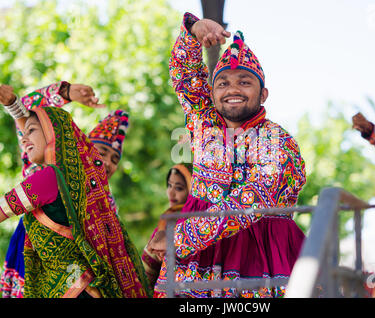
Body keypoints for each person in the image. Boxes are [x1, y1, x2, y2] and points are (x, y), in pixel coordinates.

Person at [153, 13, 307, 298]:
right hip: (197, 262)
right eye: (222, 83)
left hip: (260, 257)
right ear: (211, 93)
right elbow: (184, 76)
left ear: (264, 94)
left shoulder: (278, 140)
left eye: (245, 82)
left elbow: (253, 198)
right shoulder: (204, 122)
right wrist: (193, 30)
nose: (232, 89)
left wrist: (182, 238)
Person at [0, 85, 149, 297]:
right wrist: (65, 93)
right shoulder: (50, 172)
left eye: (115, 159)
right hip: (82, 284)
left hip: (70, 286)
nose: (106, 162)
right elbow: (35, 124)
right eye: (102, 152)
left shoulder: (57, 180)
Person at [141, 163, 192, 292]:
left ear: (193, 189)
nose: (171, 192)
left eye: (179, 188)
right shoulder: (166, 220)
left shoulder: (198, 222)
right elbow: (148, 268)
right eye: (169, 185)